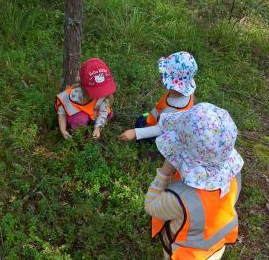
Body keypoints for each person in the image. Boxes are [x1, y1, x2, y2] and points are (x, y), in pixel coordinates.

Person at [140, 103, 244, 259]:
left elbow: (150, 207)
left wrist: (164, 172)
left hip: (185, 253)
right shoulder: (234, 175)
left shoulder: (178, 198)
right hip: (216, 247)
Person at [119, 52, 197, 142]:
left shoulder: (172, 109)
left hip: (156, 128)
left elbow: (159, 129)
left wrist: (135, 133)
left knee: (141, 125)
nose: (161, 78)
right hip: (159, 115)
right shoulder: (188, 91)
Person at [55, 58, 116, 140]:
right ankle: (78, 134)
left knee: (109, 113)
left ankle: (92, 124)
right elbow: (61, 112)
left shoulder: (104, 95)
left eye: (103, 89)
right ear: (84, 87)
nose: (100, 94)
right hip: (78, 114)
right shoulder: (76, 95)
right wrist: (63, 130)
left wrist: (97, 129)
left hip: (92, 111)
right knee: (80, 119)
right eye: (97, 91)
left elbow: (103, 112)